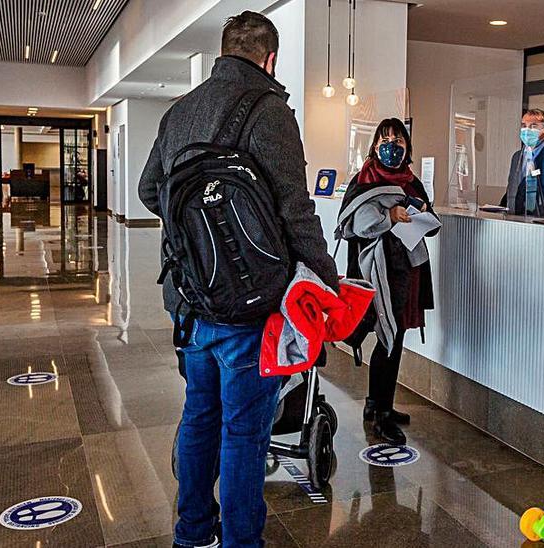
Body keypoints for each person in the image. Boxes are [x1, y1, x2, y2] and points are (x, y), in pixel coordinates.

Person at [137, 11, 338, 548]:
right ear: (269, 59)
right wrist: (326, 281)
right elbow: (296, 210)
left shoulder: (180, 110)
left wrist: (199, 241)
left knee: (200, 415)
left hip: (188, 297)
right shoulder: (270, 111)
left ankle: (192, 532)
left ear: (224, 52)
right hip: (249, 306)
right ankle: (242, 541)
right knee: (245, 432)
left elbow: (148, 190)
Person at [337, 118, 439, 445]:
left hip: (406, 274)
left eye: (398, 141)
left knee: (395, 340)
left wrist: (420, 211)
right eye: (385, 140)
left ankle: (379, 404)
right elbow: (350, 225)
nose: (391, 146)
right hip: (376, 274)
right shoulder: (364, 180)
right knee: (386, 339)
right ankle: (380, 414)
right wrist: (388, 216)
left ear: (407, 146)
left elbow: (432, 224)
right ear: (374, 145)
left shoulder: (412, 181)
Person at [500, 108, 544, 219]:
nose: (527, 130)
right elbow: (513, 189)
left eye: (533, 126)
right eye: (524, 126)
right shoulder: (517, 157)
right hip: (517, 219)